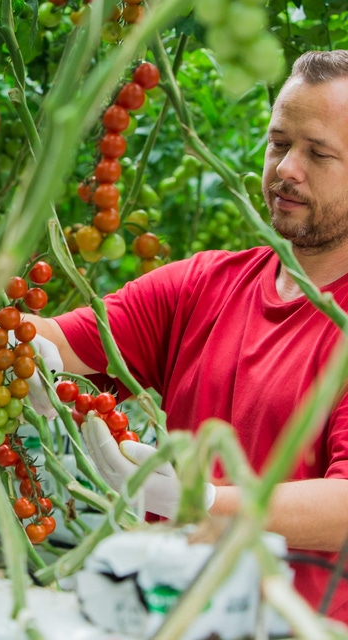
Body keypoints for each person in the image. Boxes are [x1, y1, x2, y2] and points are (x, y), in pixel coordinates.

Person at [26, 50, 348, 623]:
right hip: (165, 614)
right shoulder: (205, 285)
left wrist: (199, 502)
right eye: (279, 143)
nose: (285, 170)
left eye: (318, 153)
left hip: (295, 625)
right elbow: (56, 341)